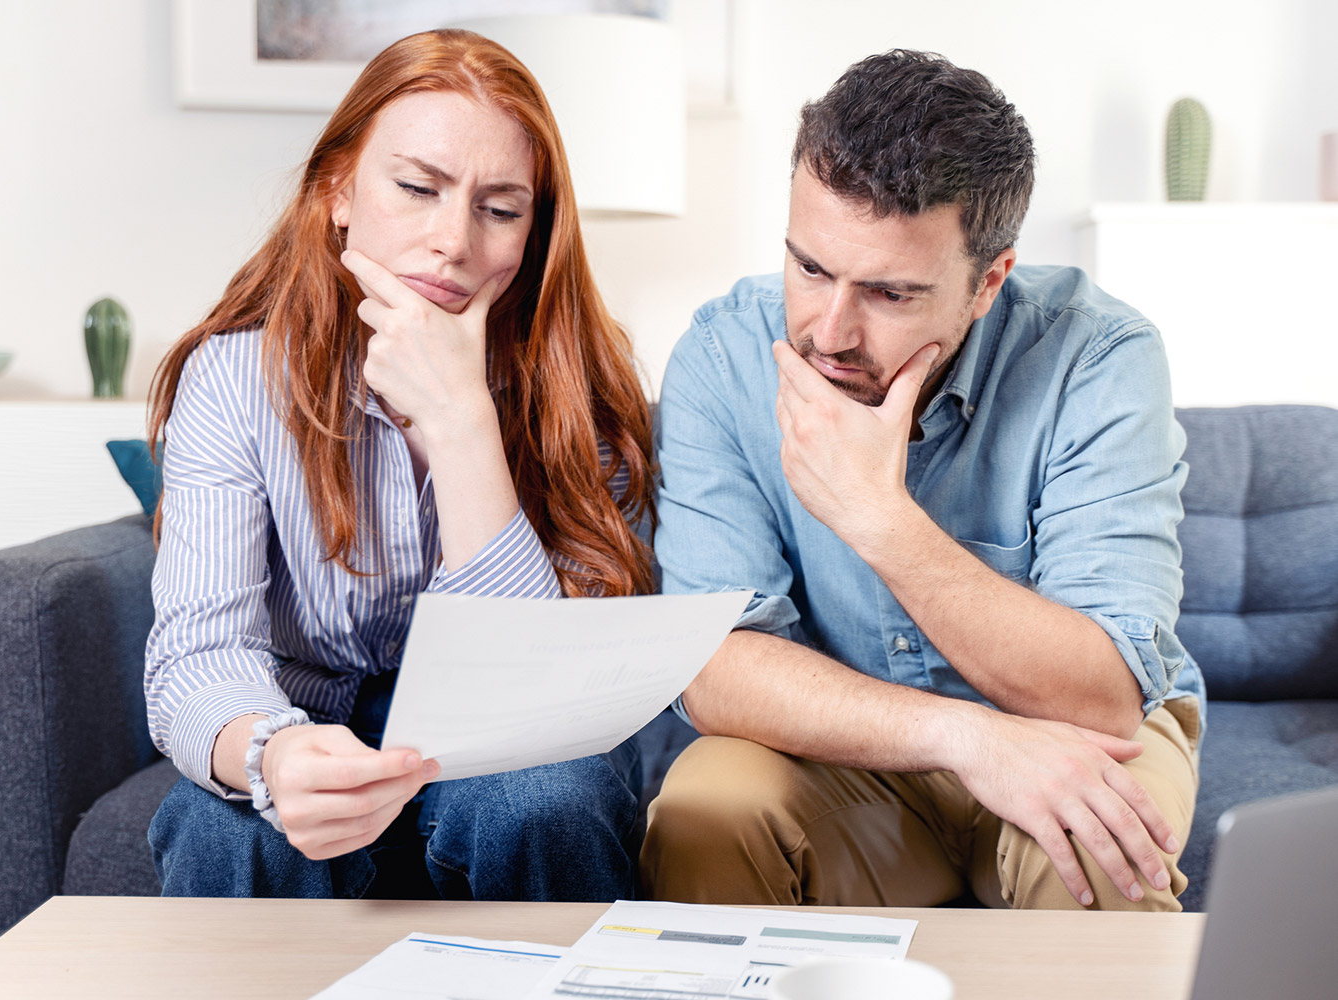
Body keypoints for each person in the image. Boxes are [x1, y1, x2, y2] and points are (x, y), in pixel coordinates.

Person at [642, 49, 1205, 912]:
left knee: (1101, 848)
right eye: (811, 268)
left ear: (988, 283)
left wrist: (879, 518)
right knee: (704, 811)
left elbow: (1101, 699)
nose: (828, 331)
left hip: (1072, 736)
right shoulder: (723, 357)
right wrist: (964, 738)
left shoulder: (1097, 356)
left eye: (890, 294)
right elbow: (715, 671)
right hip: (848, 752)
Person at [142, 29, 657, 901]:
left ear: (533, 232)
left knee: (548, 800)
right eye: (417, 188)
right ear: (338, 188)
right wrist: (272, 751)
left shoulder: (582, 391)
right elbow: (198, 654)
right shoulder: (233, 378)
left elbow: (540, 701)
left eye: (500, 209)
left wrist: (461, 420)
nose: (452, 241)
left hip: (500, 745)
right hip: (302, 718)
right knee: (223, 827)